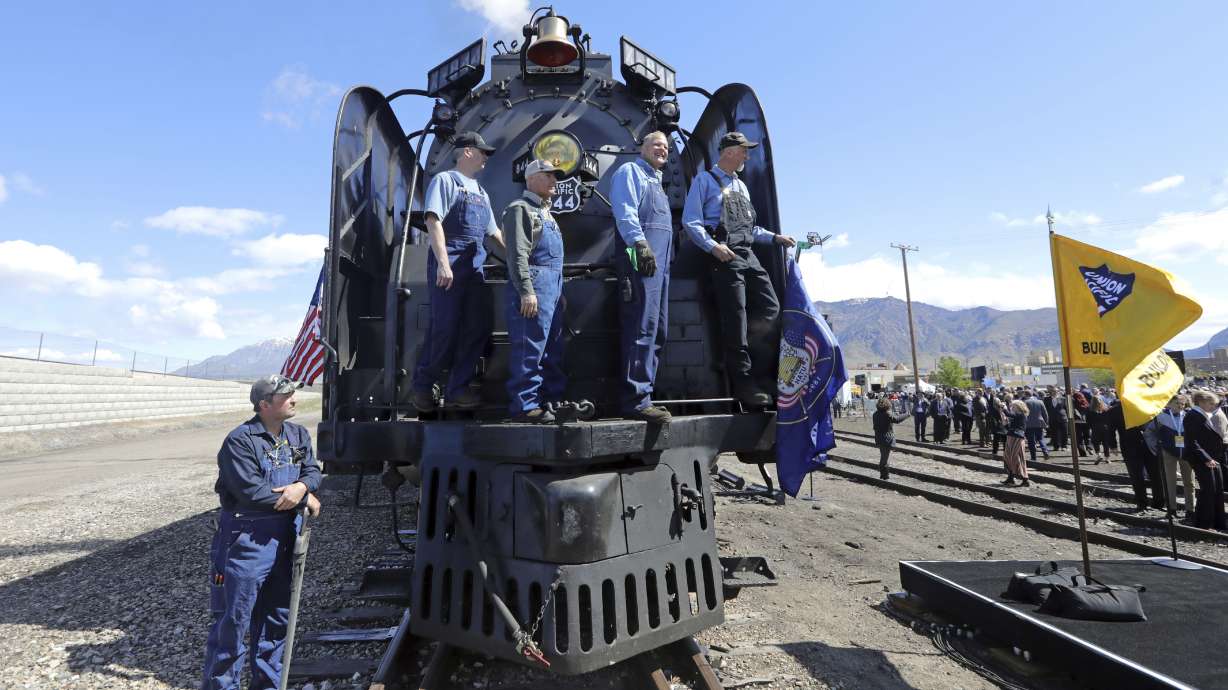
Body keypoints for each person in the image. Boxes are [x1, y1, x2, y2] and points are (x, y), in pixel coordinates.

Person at [202, 374, 322, 689]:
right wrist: (300, 497)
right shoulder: (240, 441)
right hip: (245, 541)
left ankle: (268, 685)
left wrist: (302, 485)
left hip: (285, 538)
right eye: (286, 395)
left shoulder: (297, 434)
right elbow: (250, 491)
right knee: (233, 622)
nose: (294, 398)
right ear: (264, 404)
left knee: (276, 619)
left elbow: (312, 469)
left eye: (293, 393)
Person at [681, 131, 795, 408]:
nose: (746, 155)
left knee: (771, 309)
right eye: (744, 150)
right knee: (736, 318)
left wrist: (774, 237)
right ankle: (743, 382)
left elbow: (750, 227)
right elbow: (691, 221)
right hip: (724, 254)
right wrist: (713, 248)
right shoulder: (705, 181)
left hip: (748, 253)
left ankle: (761, 373)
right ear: (730, 151)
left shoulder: (741, 186)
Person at [412, 131, 506, 412]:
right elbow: (433, 220)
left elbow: (493, 233)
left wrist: (516, 258)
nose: (486, 159)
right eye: (482, 152)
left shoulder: (481, 192)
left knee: (477, 327)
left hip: (475, 263)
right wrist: (443, 263)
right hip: (451, 258)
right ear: (467, 152)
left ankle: (458, 388)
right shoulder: (445, 181)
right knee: (445, 327)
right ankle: (423, 387)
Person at [610, 131, 675, 423]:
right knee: (641, 326)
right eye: (656, 144)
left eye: (666, 146)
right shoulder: (630, 172)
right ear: (643, 147)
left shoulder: (657, 182)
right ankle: (635, 399)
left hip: (660, 266)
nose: (662, 149)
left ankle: (645, 393)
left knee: (657, 330)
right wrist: (639, 244)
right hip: (641, 259)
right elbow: (625, 212)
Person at [502, 159, 568, 424]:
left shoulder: (547, 214)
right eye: (548, 175)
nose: (554, 181)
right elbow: (517, 254)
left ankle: (550, 401)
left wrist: (558, 293)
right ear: (530, 179)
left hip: (551, 289)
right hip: (535, 284)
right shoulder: (520, 209)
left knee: (551, 349)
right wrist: (526, 291)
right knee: (530, 347)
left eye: (555, 176)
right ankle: (524, 404)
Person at [1183, 390, 1227, 531]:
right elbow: (1192, 441)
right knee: (1208, 490)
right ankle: (1203, 523)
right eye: (1211, 403)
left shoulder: (1201, 415)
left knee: (1216, 489)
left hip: (1213, 458)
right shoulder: (1193, 416)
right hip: (1202, 459)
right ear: (1201, 402)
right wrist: (1206, 458)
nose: (1213, 406)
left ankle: (1217, 522)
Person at [1156, 395, 1195, 520]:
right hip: (1168, 452)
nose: (1180, 406)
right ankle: (1171, 509)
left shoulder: (1188, 416)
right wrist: (1157, 448)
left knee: (1189, 482)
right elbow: (1149, 433)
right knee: (1170, 481)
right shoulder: (1160, 417)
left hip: (1186, 452)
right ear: (1169, 403)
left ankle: (1190, 510)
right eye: (1177, 403)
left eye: (1183, 404)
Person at [873, 397, 911, 480]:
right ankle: (884, 476)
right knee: (884, 458)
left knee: (883, 456)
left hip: (878, 438)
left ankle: (883, 475)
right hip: (886, 438)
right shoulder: (887, 414)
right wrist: (906, 414)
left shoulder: (875, 414)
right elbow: (896, 420)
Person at [1003, 399, 1031, 486]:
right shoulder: (1017, 415)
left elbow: (1009, 414)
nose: (1012, 408)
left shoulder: (1021, 415)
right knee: (1008, 457)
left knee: (1016, 457)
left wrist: (1004, 408)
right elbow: (1010, 427)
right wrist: (1005, 424)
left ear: (1019, 407)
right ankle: (1011, 477)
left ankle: (1025, 478)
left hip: (1017, 438)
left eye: (1013, 406)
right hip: (1011, 436)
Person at [1023, 391, 1050, 463]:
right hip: (1039, 423)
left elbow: (1023, 414)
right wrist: (1046, 422)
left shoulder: (1025, 402)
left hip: (1029, 424)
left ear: (1025, 395)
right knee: (1041, 438)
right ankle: (1045, 451)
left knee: (1031, 441)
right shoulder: (1040, 401)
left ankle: (1033, 457)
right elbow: (1045, 413)